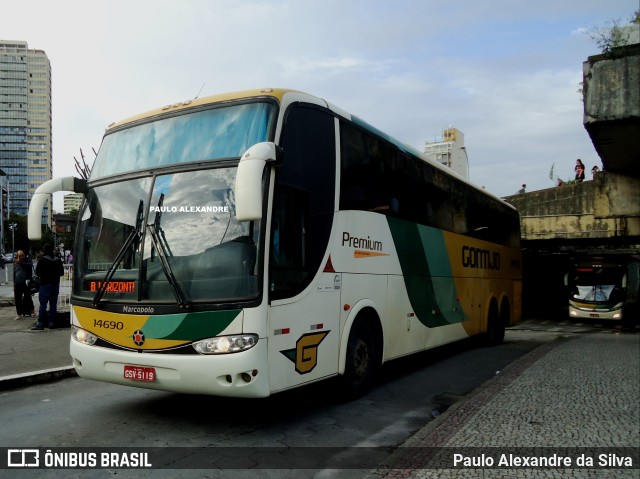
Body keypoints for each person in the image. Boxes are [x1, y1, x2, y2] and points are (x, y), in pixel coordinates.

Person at [31, 244, 64, 331]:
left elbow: (37, 272)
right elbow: (62, 273)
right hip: (55, 284)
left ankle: (41, 323)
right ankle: (51, 323)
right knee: (53, 304)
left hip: (45, 285)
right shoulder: (57, 260)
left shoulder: (42, 260)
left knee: (43, 305)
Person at [13, 250, 35, 321]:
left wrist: (21, 262)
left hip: (26, 282)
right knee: (17, 299)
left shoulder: (28, 260)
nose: (21, 257)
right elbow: (14, 273)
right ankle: (19, 314)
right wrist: (14, 283)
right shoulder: (16, 262)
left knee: (28, 297)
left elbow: (29, 266)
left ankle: (32, 311)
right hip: (18, 283)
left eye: (22, 256)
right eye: (19, 256)